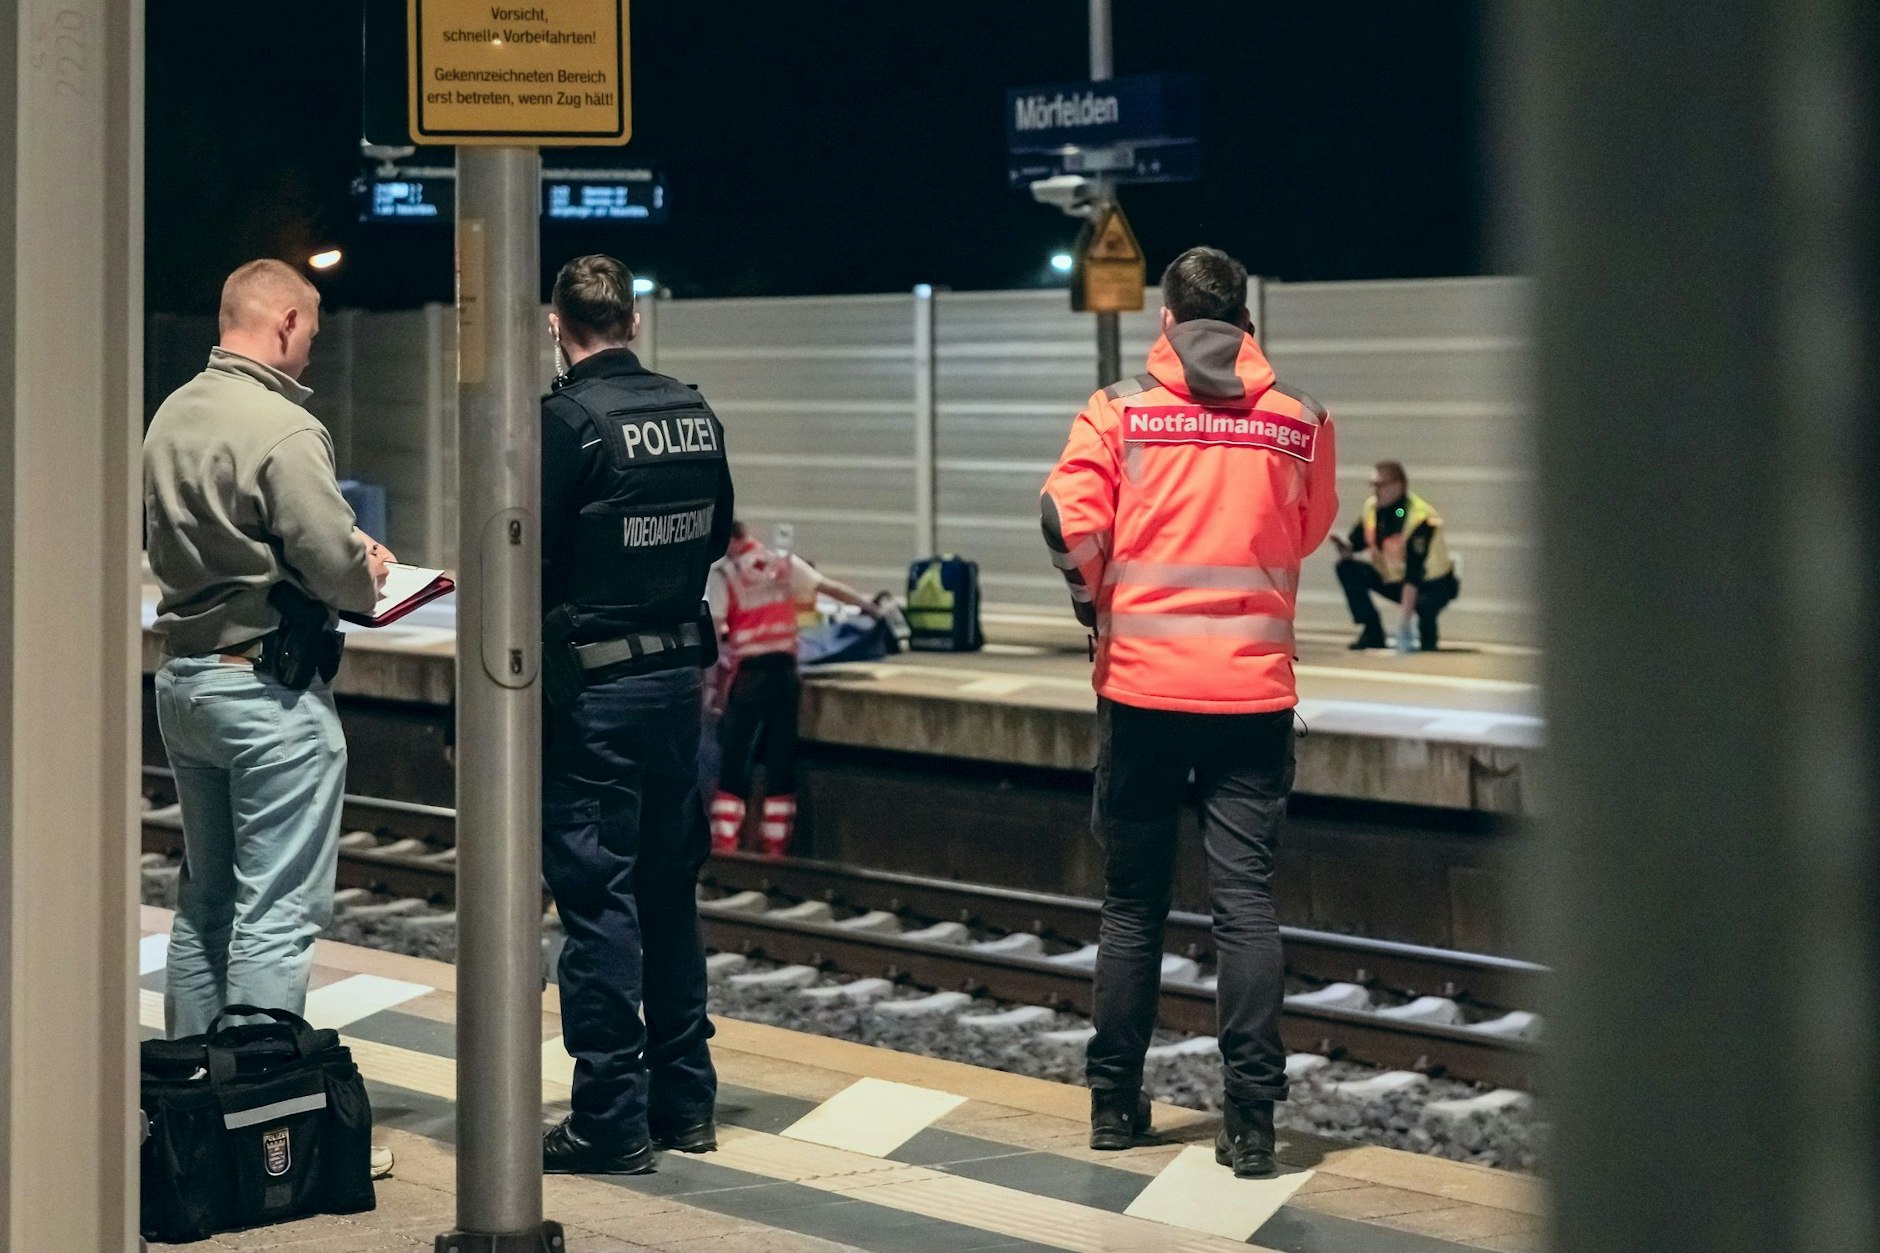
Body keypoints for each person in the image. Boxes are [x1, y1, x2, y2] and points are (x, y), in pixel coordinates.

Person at [1040, 246, 1337, 1178]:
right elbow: (1308, 527)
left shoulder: (1116, 410)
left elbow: (1065, 519)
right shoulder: (1302, 419)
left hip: (1140, 692)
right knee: (1245, 903)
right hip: (1252, 695)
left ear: (1165, 320)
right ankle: (1250, 1121)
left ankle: (1115, 1106)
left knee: (1132, 906)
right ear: (1246, 321)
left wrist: (1096, 599)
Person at [144, 260, 395, 1169]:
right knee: (276, 908)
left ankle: (187, 1114)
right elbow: (333, 568)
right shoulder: (287, 427)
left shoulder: (171, 413)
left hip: (186, 684)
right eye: (314, 331)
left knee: (204, 900)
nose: (312, 348)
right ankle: (260, 1123)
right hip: (266, 691)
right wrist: (366, 569)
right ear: (287, 321)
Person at [538, 254, 736, 1175]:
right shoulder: (694, 416)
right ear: (635, 320)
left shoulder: (567, 424)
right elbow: (717, 529)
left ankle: (611, 1121)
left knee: (598, 902)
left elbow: (523, 557)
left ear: (556, 324)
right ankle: (685, 1102)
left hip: (595, 694)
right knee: (668, 894)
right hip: (678, 690)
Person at [705, 521, 882, 857]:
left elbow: (714, 633)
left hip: (750, 678)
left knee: (735, 760)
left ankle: (725, 844)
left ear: (729, 540)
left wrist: (712, 687)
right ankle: (776, 845)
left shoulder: (726, 574)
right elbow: (829, 589)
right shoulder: (782, 562)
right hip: (786, 676)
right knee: (780, 760)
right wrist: (871, 608)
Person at [1330, 460, 1458, 651]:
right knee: (1346, 569)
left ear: (1398, 486)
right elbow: (1357, 542)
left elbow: (1413, 574)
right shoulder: (1373, 509)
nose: (1376, 491)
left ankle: (1428, 639)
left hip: (1432, 585)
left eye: (1381, 485)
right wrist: (1345, 547)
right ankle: (1372, 632)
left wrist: (1403, 625)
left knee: (1425, 608)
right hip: (1395, 579)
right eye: (1374, 486)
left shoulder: (1420, 518)